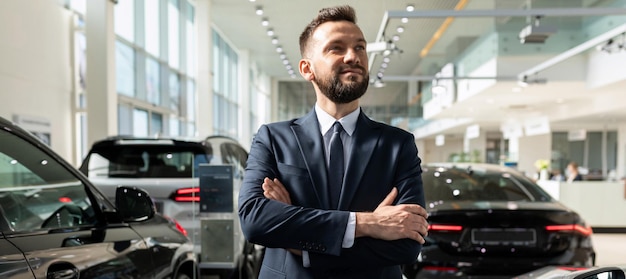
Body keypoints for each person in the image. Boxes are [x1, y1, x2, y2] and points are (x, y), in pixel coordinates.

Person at [237, 5, 429, 279]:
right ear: (307, 68)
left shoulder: (397, 145)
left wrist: (299, 241)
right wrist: (367, 223)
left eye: (360, 48)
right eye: (336, 48)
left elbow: (408, 243)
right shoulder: (273, 138)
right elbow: (255, 221)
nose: (353, 56)